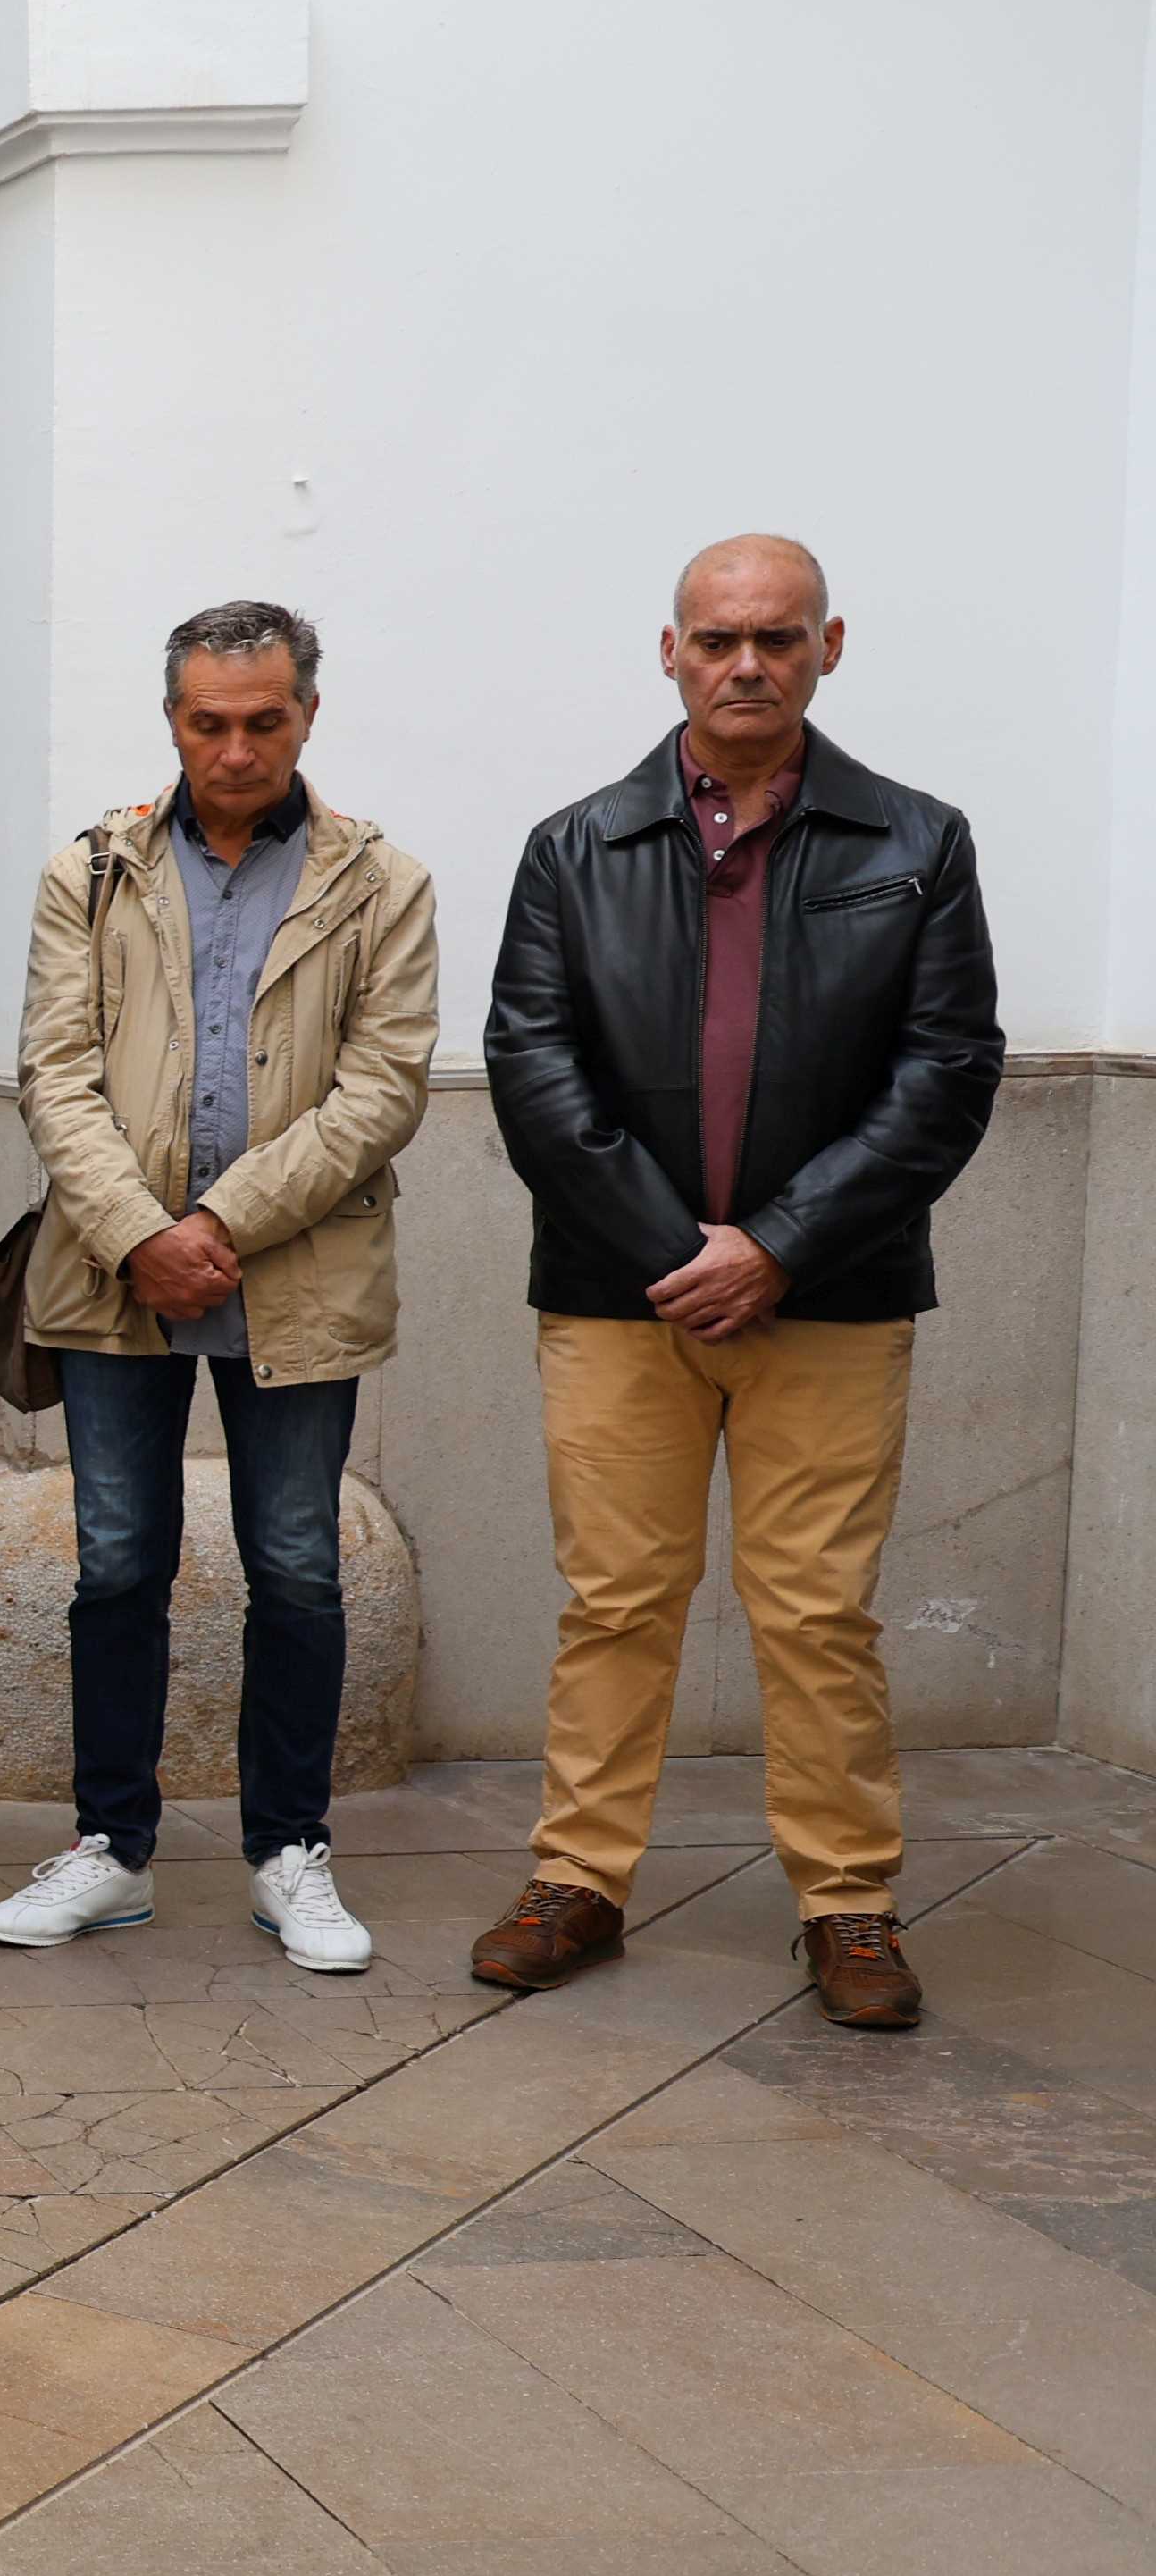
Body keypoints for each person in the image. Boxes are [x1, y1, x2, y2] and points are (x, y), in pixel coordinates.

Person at [474, 536, 998, 2029]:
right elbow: (532, 1065)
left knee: (818, 1613)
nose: (746, 663)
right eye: (718, 638)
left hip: (828, 1300)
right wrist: (673, 1253)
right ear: (670, 651)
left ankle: (848, 1902)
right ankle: (579, 1879)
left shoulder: (916, 842)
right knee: (615, 1600)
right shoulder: (576, 847)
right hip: (616, 1300)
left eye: (777, 637)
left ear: (831, 646)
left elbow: (948, 1071)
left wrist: (776, 1244)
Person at [0, 601, 438, 1978]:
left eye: (264, 720)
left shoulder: (382, 883)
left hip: (294, 1281)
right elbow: (53, 1072)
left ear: (307, 714)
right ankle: (112, 1850)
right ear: (171, 720)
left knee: (296, 1567)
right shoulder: (95, 872)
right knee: (118, 1560)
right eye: (207, 722)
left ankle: (288, 1851)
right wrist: (141, 1235)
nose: (235, 748)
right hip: (118, 1282)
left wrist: (220, 1223)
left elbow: (384, 1087)